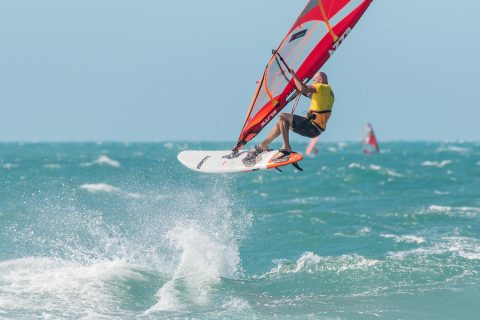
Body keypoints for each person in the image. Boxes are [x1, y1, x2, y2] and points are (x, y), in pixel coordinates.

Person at [244, 69, 335, 164]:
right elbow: (301, 89)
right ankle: (263, 145)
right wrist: (272, 86)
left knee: (283, 116)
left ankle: (286, 148)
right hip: (314, 129)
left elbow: (303, 88)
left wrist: (293, 75)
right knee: (282, 121)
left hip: (311, 126)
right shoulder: (328, 92)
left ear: (320, 79)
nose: (313, 83)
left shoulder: (320, 87)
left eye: (314, 80)